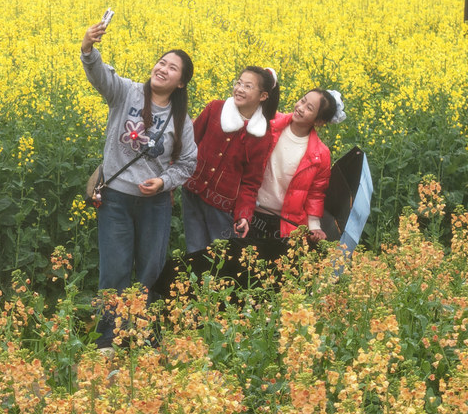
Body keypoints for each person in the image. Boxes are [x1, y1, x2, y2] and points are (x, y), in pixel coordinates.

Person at [81, 19, 197, 348]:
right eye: (162, 62)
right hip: (115, 199)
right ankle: (107, 343)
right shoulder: (126, 92)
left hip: (155, 205)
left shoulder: (181, 119)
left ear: (180, 83)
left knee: (149, 272)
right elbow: (99, 75)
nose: (163, 69)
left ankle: (141, 339)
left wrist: (163, 182)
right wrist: (89, 47)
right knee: (114, 272)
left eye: (172, 68)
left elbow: (189, 163)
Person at [182, 66, 279, 252]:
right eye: (239, 83)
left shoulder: (262, 136)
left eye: (248, 86)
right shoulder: (215, 108)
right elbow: (189, 143)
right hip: (192, 192)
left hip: (221, 206)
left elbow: (251, 182)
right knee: (194, 250)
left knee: (219, 255)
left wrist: (244, 214)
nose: (240, 89)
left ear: (263, 96)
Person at [238, 89, 347, 241]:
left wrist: (314, 225)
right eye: (303, 100)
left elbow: (316, 193)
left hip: (284, 222)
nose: (301, 108)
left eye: (310, 108)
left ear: (319, 121)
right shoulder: (271, 123)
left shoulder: (321, 154)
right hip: (249, 211)